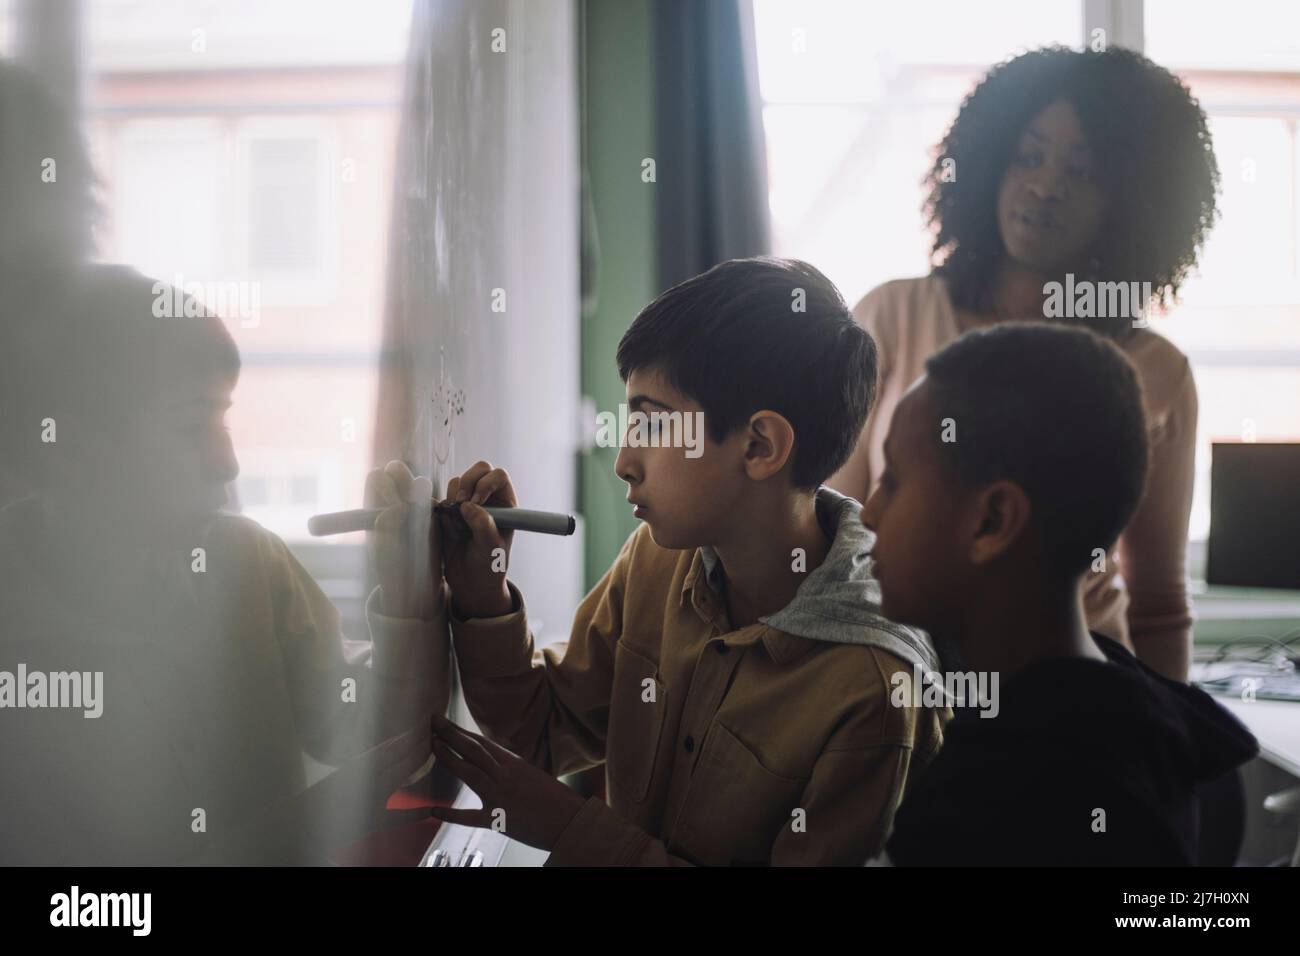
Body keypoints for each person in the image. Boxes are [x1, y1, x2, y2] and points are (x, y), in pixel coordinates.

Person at [426, 257, 947, 865]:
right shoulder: (658, 559)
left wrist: (570, 827)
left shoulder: (874, 689)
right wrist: (483, 593)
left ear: (759, 446)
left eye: (650, 423)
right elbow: (545, 728)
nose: (623, 460)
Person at [0, 266, 443, 864]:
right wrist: (295, 832)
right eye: (190, 425)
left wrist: (406, 590)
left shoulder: (245, 564)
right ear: (74, 448)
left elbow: (365, 725)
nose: (228, 463)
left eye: (224, 418)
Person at [830, 46, 1221, 682]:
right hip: (897, 681)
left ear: (1131, 199)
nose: (1043, 186)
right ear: (988, 161)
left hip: (1083, 698)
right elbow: (838, 538)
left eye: (1082, 171)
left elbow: (1159, 605)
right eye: (1028, 156)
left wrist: (1169, 749)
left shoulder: (1155, 371)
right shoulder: (889, 317)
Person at [860, 324, 1256, 866]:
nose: (867, 512)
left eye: (894, 482)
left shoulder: (991, 805)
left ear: (991, 521)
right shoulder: (1119, 698)